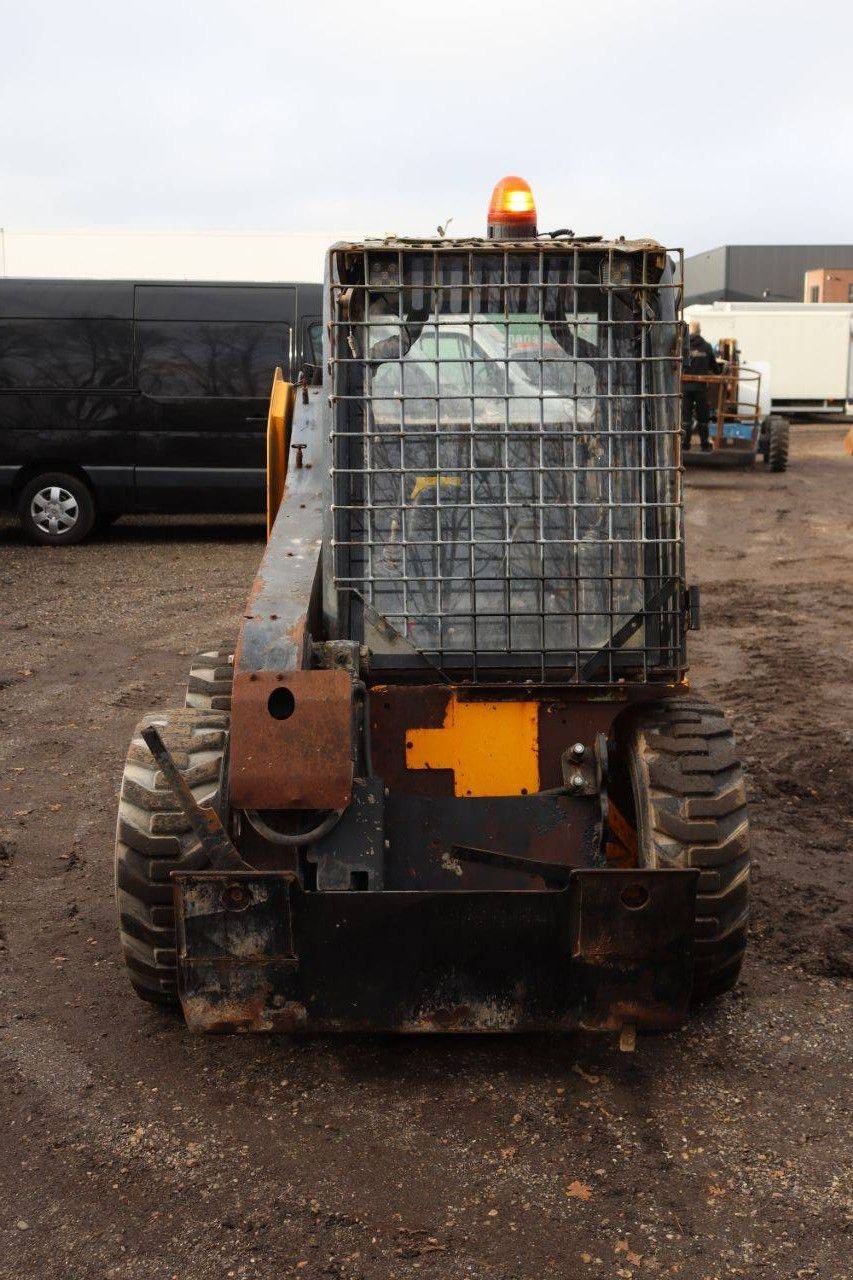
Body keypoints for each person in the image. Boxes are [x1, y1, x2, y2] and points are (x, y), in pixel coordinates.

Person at [682, 322, 719, 451]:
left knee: (685, 418)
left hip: (685, 388)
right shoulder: (707, 347)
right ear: (700, 331)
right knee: (703, 417)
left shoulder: (683, 347)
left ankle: (684, 445)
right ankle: (705, 446)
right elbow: (715, 368)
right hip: (701, 388)